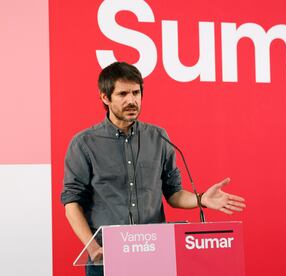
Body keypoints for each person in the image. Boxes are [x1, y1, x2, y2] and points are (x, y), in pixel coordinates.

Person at [61, 61, 246, 276]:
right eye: (122, 94)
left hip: (154, 254)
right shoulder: (84, 143)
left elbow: (174, 194)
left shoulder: (159, 138)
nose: (131, 100)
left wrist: (201, 199)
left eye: (136, 92)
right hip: (106, 257)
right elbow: (71, 203)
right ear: (105, 97)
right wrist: (93, 249)